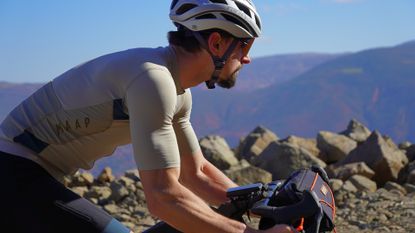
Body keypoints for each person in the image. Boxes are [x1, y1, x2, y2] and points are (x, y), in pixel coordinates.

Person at [0, 1, 295, 232]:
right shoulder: (153, 80)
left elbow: (195, 172)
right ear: (217, 43)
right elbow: (163, 197)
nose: (247, 58)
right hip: (13, 170)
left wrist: (263, 200)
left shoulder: (177, 88)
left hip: (35, 174)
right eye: (245, 45)